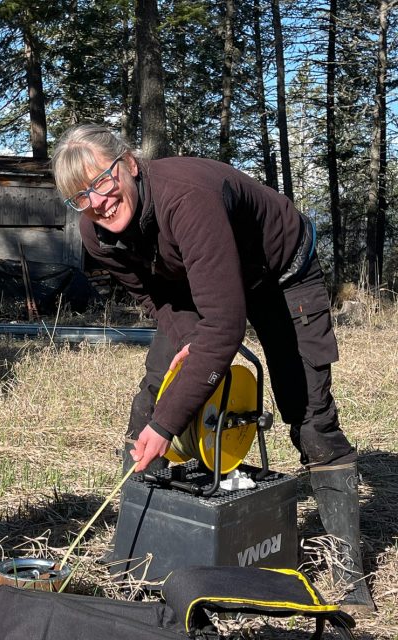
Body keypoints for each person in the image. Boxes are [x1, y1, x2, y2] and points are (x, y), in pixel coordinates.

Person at [51, 124, 374, 613]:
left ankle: (349, 575)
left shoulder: (188, 200)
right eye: (80, 196)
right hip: (195, 285)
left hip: (280, 274)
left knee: (308, 414)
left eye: (103, 181)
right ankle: (139, 558)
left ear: (131, 165)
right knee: (150, 403)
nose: (96, 201)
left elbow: (225, 328)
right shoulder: (96, 235)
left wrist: (170, 422)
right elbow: (151, 295)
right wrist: (183, 348)